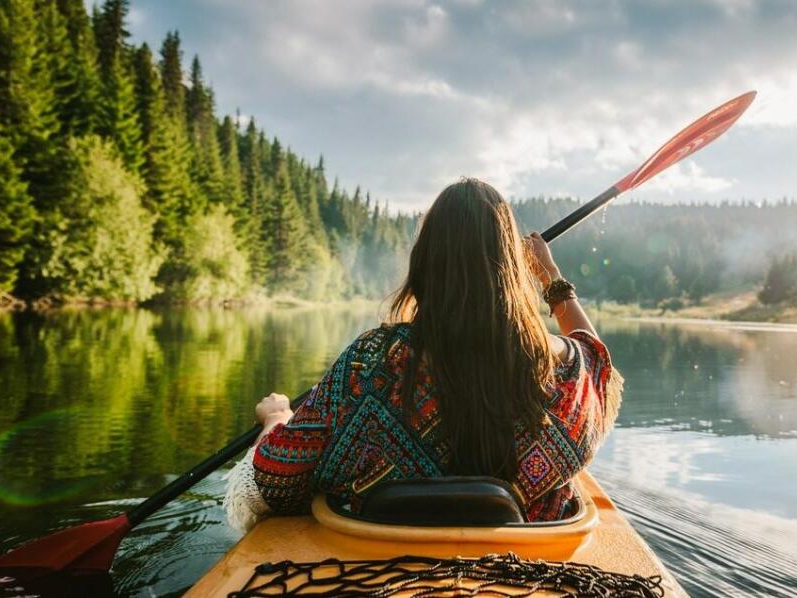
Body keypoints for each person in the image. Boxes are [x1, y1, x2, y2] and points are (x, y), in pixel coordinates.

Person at [224, 178, 621, 531]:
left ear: (425, 262)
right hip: (524, 560)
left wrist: (276, 417)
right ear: (514, 269)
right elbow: (597, 360)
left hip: (377, 559)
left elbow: (274, 478)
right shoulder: (563, 370)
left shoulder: (368, 360)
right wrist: (551, 278)